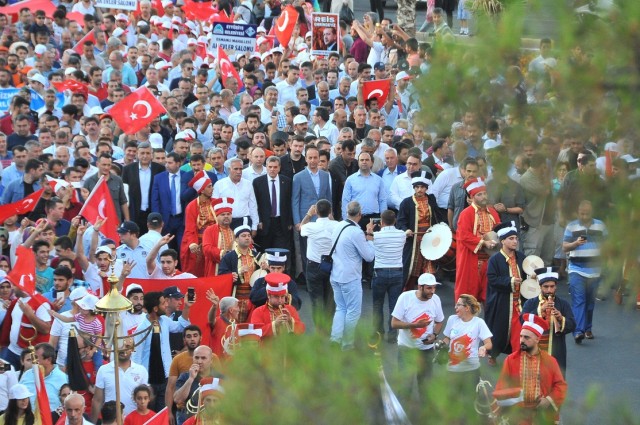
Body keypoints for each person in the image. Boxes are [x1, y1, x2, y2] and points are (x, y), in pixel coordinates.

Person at [493, 314, 567, 425]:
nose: (522, 340)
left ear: (537, 339)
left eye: (526, 337)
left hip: (542, 416)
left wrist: (548, 400)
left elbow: (561, 386)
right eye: (521, 336)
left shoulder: (550, 361)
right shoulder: (510, 360)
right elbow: (501, 387)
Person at [132, 292, 193, 412]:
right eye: (163, 303)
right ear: (155, 308)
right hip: (148, 381)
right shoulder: (141, 329)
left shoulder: (165, 321)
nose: (166, 305)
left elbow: (181, 326)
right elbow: (136, 358)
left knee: (163, 414)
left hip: (166, 378)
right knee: (149, 414)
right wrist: (141, 384)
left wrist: (187, 307)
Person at [391, 273, 444, 403]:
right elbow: (394, 323)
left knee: (426, 385)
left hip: (426, 349)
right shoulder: (405, 298)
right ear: (420, 287)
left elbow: (439, 321)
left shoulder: (436, 299)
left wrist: (434, 335)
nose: (432, 291)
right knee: (405, 385)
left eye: (434, 287)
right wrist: (414, 325)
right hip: (406, 348)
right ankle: (401, 411)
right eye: (429, 288)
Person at [329, 201, 375, 350]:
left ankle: (335, 339)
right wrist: (369, 236)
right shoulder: (356, 232)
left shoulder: (338, 226)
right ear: (360, 214)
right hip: (350, 277)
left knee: (341, 308)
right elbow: (369, 256)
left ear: (347, 212)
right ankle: (347, 344)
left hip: (335, 274)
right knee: (353, 312)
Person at [562, 200, 607, 343]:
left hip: (595, 270)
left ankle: (587, 328)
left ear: (592, 212)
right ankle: (578, 331)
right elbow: (564, 247)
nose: (584, 216)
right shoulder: (571, 226)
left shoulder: (600, 226)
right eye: (582, 213)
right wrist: (575, 243)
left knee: (590, 302)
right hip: (576, 269)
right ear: (578, 212)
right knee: (579, 300)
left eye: (587, 214)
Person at [440, 294, 493, 405]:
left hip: (471, 369)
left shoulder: (479, 323)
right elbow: (447, 338)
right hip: (453, 369)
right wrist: (441, 344)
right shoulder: (452, 319)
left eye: (458, 305)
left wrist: (483, 347)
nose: (455, 307)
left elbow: (488, 343)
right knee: (452, 402)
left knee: (470, 402)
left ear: (467, 308)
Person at [485, 221, 526, 365]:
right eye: (511, 238)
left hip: (519, 303)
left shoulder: (521, 257)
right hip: (502, 303)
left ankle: (517, 360)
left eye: (516, 238)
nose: (515, 241)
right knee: (499, 331)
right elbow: (492, 279)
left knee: (519, 332)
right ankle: (493, 354)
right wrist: (511, 281)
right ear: (502, 241)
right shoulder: (495, 260)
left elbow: (527, 275)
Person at [454, 177, 501, 304]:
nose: (483, 197)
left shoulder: (493, 212)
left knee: (489, 294)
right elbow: (464, 236)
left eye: (485, 193)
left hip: (490, 260)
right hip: (472, 259)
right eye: (479, 194)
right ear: (472, 197)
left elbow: (499, 231)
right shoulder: (466, 214)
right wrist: (484, 242)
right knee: (469, 295)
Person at [396, 171, 445, 290]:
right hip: (414, 240)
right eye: (417, 187)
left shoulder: (431, 200)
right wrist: (406, 230)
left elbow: (437, 216)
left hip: (429, 239)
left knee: (429, 267)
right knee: (411, 267)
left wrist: (441, 228)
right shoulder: (406, 202)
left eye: (422, 187)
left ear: (426, 188)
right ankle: (406, 292)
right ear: (413, 187)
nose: (419, 190)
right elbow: (400, 221)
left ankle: (428, 292)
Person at [522, 267, 576, 372]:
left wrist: (561, 319)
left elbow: (572, 325)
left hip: (556, 350)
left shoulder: (563, 304)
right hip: (534, 349)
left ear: (556, 286)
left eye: (552, 286)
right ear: (540, 286)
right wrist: (539, 310)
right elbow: (522, 321)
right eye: (545, 287)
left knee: (555, 378)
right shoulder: (530, 303)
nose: (549, 290)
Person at [91, 338, 148, 422]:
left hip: (134, 421)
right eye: (120, 345)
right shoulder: (103, 370)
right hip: (111, 421)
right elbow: (97, 400)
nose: (123, 349)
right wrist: (92, 423)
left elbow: (145, 399)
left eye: (127, 346)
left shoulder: (141, 370)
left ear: (132, 349)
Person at [370, 210, 406, 341]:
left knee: (377, 304)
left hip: (380, 272)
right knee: (394, 305)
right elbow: (406, 233)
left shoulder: (376, 235)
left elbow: (369, 243)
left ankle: (378, 332)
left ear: (381, 221)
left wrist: (369, 231)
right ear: (395, 221)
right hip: (397, 272)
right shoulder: (402, 234)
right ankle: (392, 334)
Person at [218, 223, 260, 323]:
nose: (247, 238)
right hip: (236, 296)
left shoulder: (257, 256)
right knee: (235, 325)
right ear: (236, 239)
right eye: (243, 236)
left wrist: (265, 268)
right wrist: (238, 272)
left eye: (249, 235)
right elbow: (222, 275)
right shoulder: (229, 257)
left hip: (253, 297)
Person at [252, 156, 293, 253]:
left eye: (275, 167)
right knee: (265, 252)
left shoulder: (287, 181)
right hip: (265, 223)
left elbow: (289, 202)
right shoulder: (258, 182)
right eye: (270, 167)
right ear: (266, 167)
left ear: (279, 168)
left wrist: (289, 221)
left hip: (281, 223)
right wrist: (259, 220)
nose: (272, 169)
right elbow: (255, 203)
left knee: (281, 252)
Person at [180, 171, 216, 277]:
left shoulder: (216, 202)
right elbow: (190, 228)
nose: (212, 188)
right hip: (198, 241)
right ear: (202, 190)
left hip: (214, 240)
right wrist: (192, 243)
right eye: (209, 186)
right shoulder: (191, 206)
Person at [173, 346, 220, 425]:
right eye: (196, 358)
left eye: (203, 358)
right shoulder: (185, 376)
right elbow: (177, 399)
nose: (199, 361)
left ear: (211, 360)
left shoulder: (219, 378)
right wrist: (191, 379)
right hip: (188, 420)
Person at [249, 273, 305, 338]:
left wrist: (290, 321)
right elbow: (255, 333)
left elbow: (302, 330)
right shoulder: (258, 312)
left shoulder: (291, 309)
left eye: (282, 297)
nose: (280, 300)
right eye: (276, 297)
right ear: (268, 295)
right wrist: (274, 325)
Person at [201, 198, 236, 277]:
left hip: (232, 270)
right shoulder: (209, 230)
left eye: (228, 214)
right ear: (217, 217)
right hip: (215, 268)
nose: (226, 216)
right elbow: (206, 249)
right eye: (223, 214)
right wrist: (223, 254)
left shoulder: (235, 231)